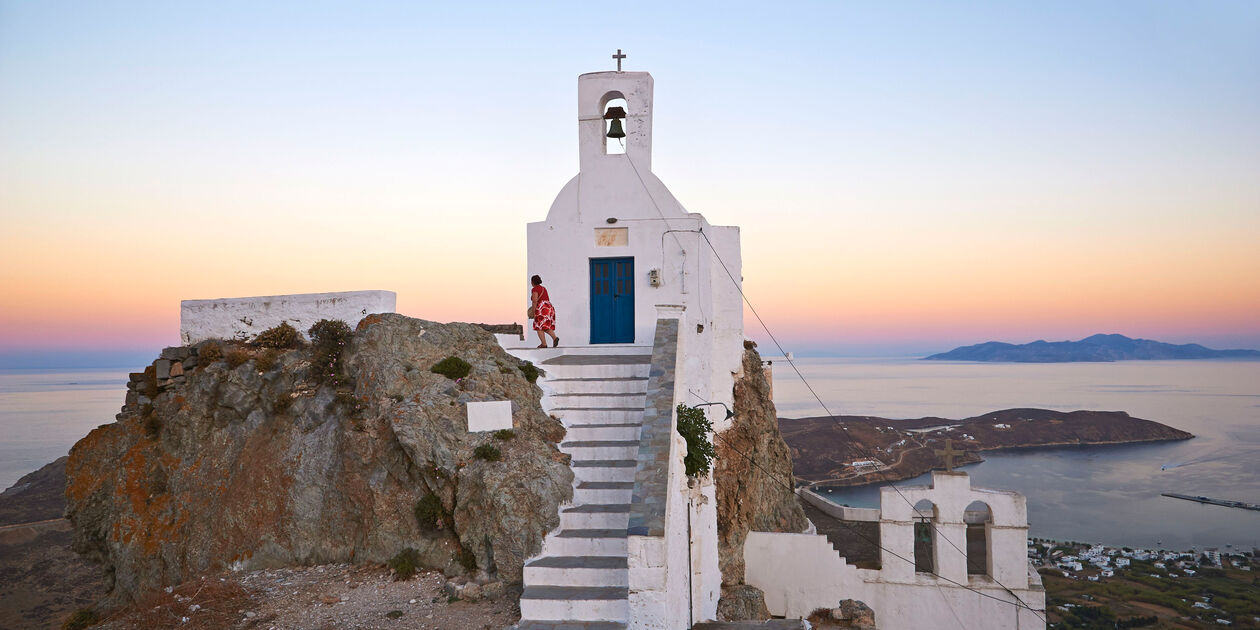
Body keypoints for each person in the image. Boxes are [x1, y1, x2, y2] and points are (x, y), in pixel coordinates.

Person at [529, 275, 559, 348]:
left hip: (541, 309)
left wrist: (533, 312)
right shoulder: (543, 288)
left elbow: (535, 301)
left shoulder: (535, 289)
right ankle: (555, 338)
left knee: (538, 326)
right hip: (549, 307)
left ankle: (544, 344)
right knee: (545, 326)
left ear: (532, 282)